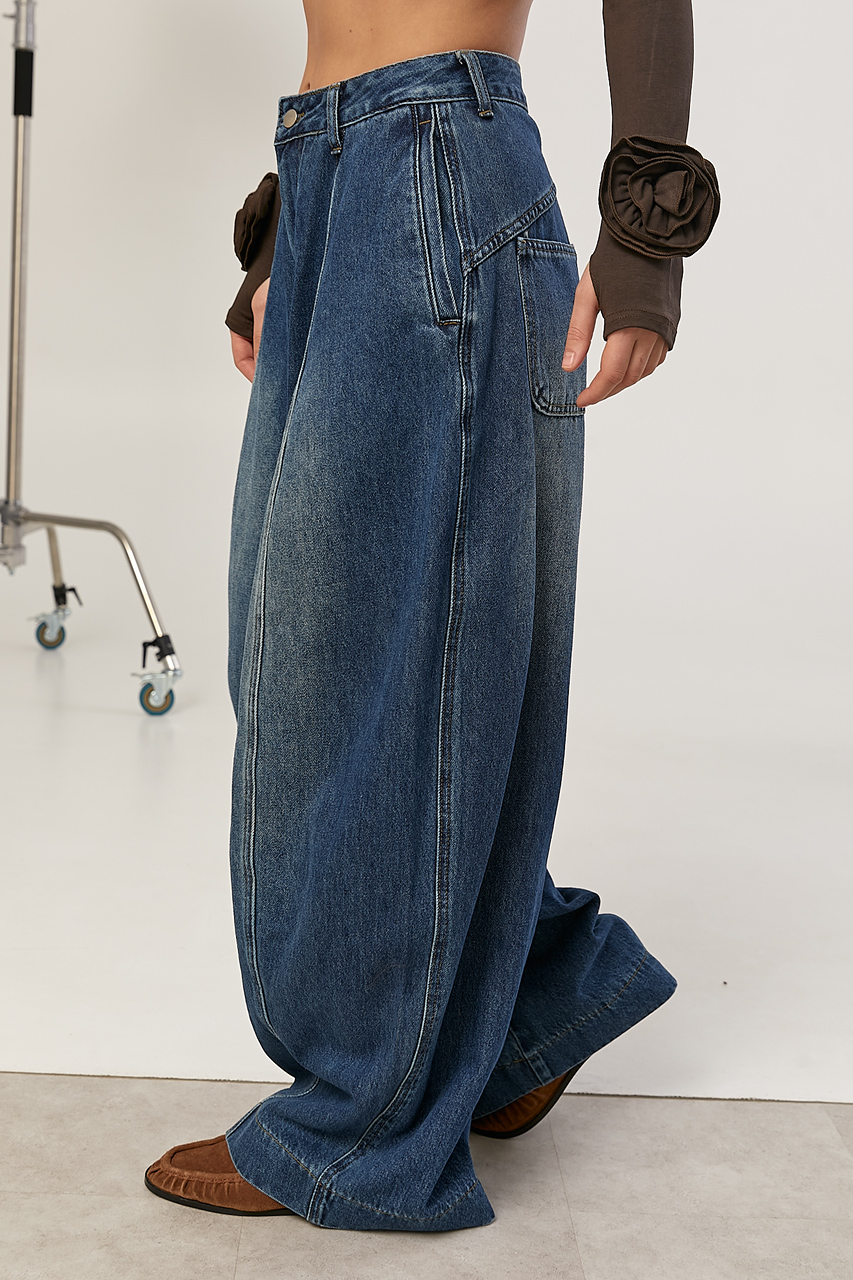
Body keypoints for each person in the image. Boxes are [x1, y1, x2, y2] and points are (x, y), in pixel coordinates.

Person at [145, 0, 719, 1231]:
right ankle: (526, 1001)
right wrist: (291, 230)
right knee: (299, 663)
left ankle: (360, 1128)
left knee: (366, 679)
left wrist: (645, 234)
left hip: (439, 165)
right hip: (341, 172)